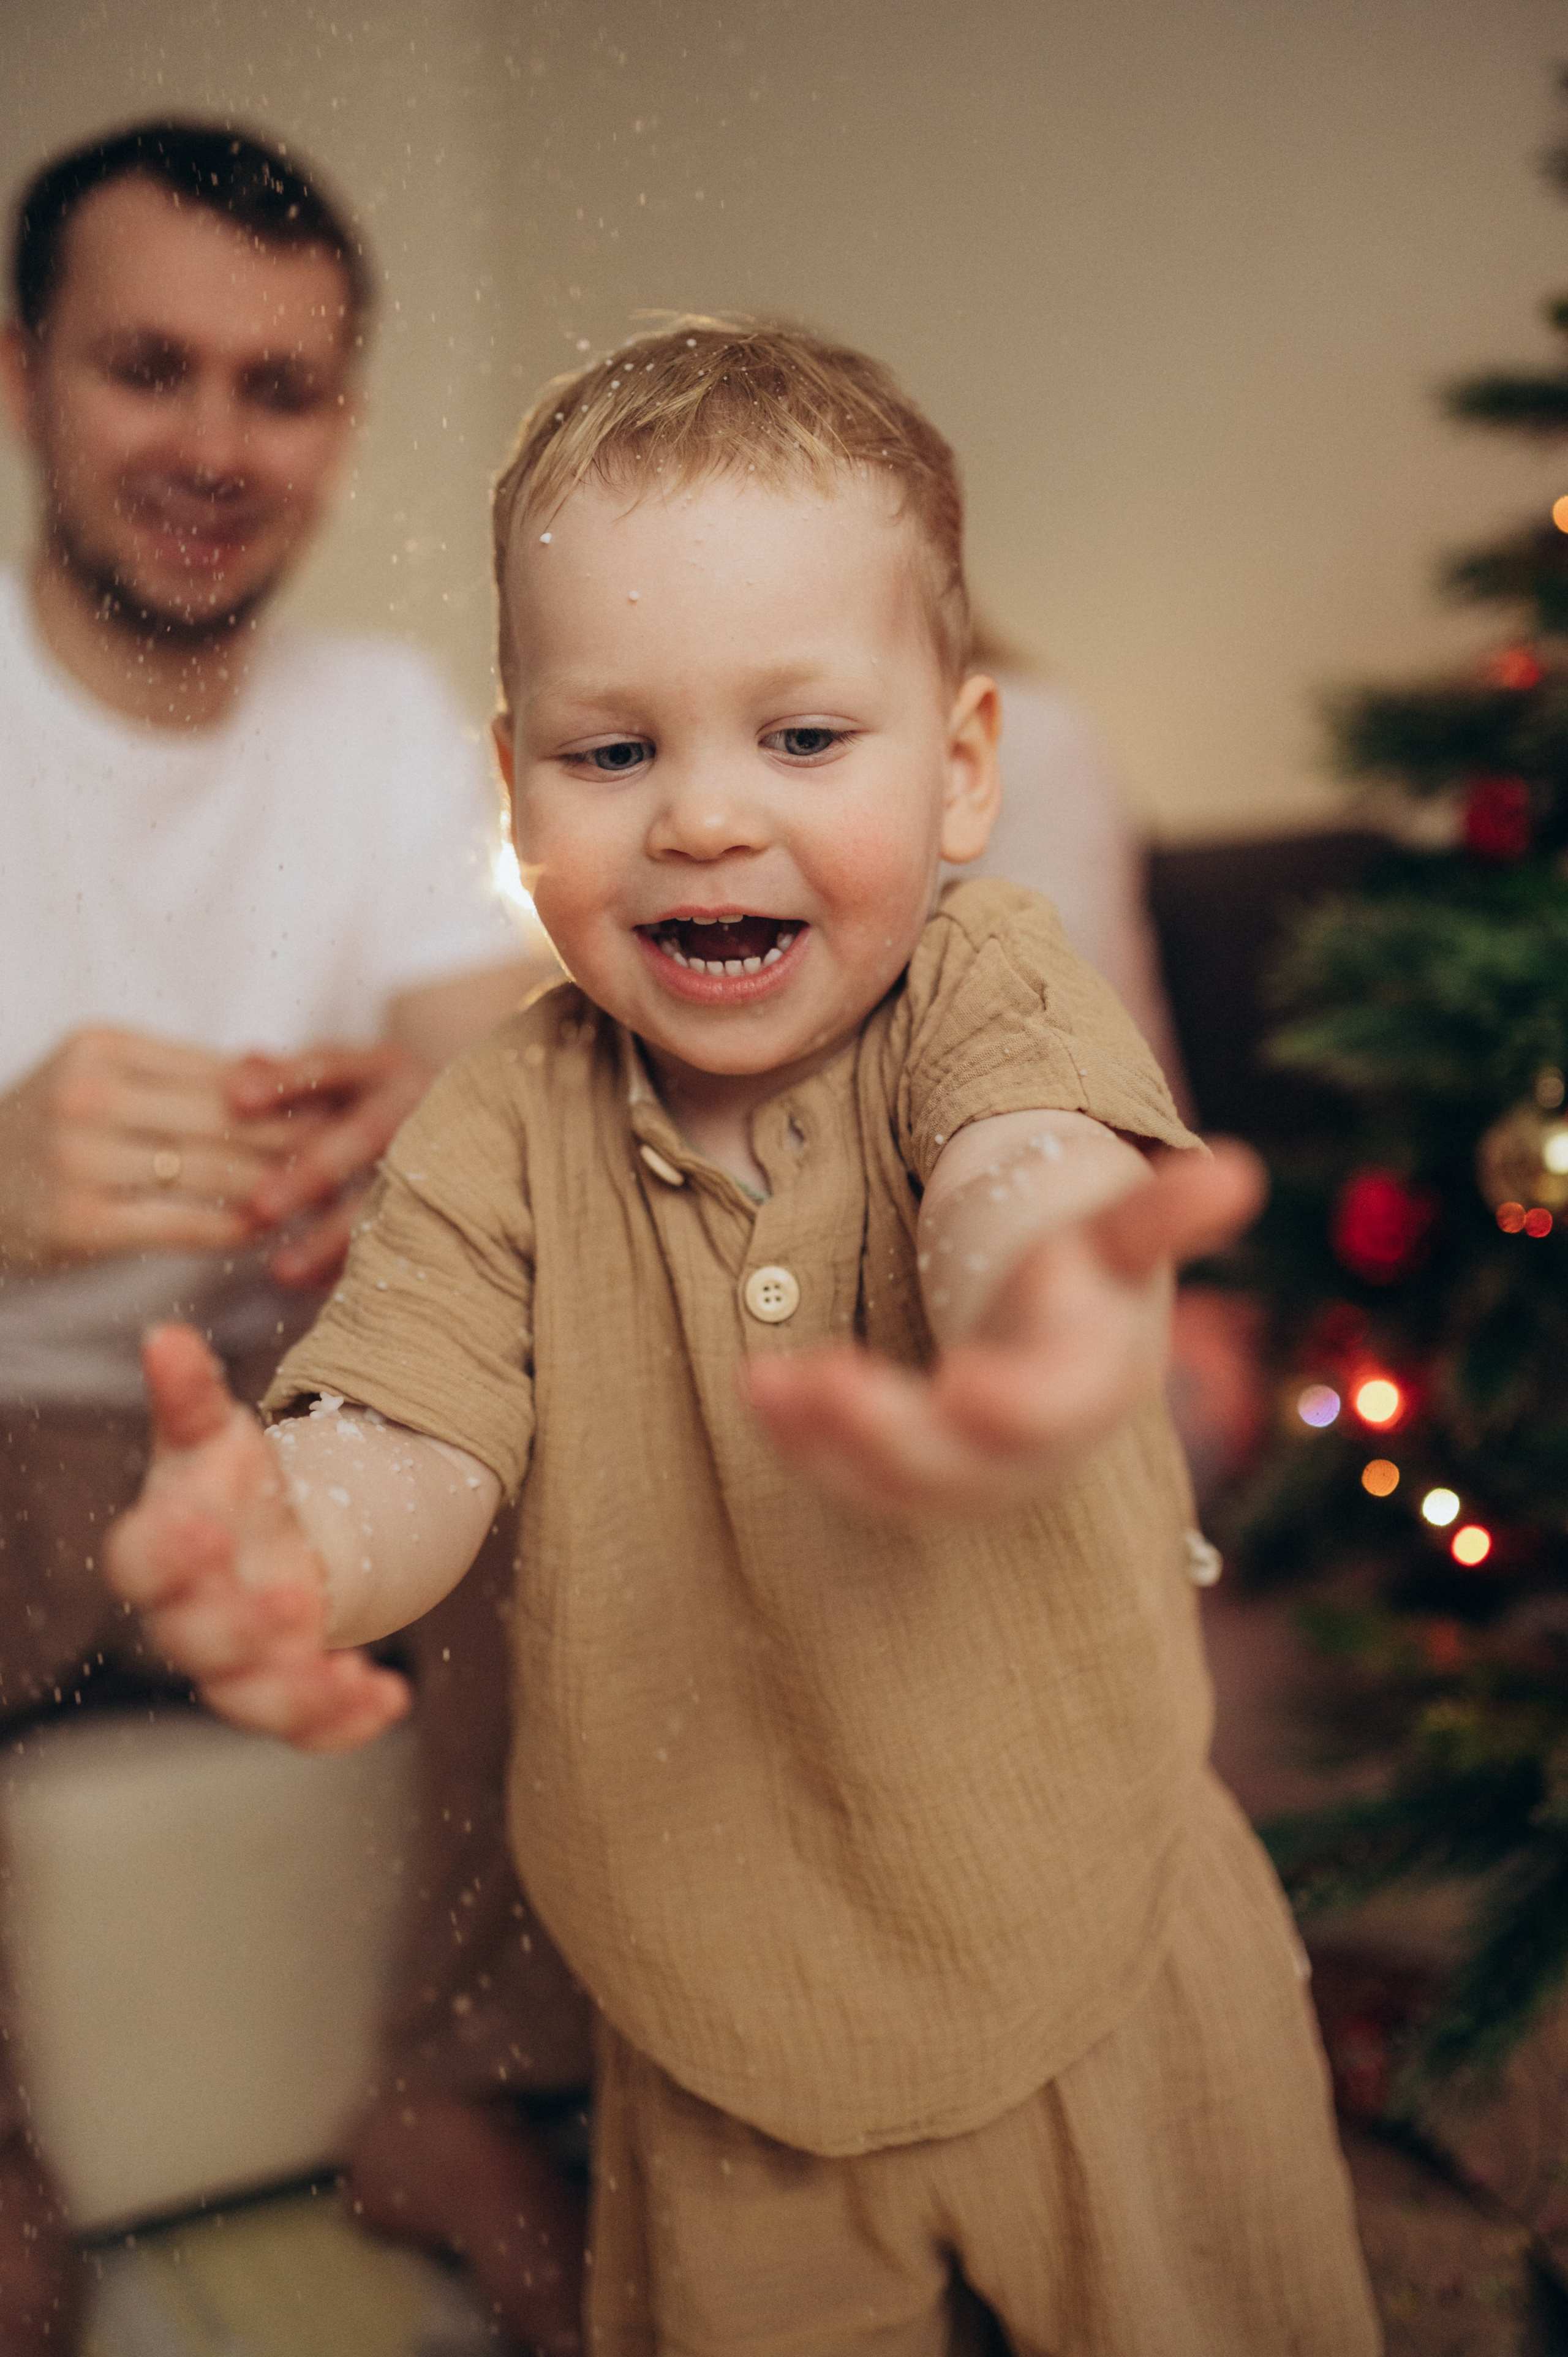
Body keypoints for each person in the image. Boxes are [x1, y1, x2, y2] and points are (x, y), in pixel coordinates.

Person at [107, 321, 1380, 2355]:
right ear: (515, 784)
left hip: (1106, 1950)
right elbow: (409, 1432)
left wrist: (1045, 1331)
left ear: (961, 767)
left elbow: (1022, 1172)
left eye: (803, 741)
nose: (705, 819)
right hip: (715, 2024)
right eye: (615, 754)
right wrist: (285, 1535)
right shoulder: (497, 1130)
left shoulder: (987, 986)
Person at [0, 119, 584, 2355]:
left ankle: (461, 2096)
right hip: (22, 1445)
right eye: (153, 369)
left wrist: (446, 1104)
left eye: (287, 386)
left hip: (295, 1431)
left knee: (587, 1372)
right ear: (26, 377)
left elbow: (497, 1059)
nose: (221, 445)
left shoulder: (379, 724)